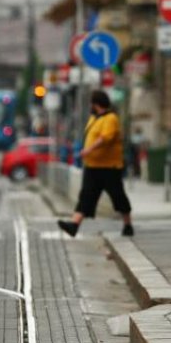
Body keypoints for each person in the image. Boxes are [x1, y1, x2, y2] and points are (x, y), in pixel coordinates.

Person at [58, 90, 134, 238]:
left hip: (109, 167)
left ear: (96, 104)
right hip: (92, 166)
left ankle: (128, 224)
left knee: (118, 196)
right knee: (86, 196)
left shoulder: (111, 118)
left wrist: (88, 150)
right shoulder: (94, 118)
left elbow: (105, 138)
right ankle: (74, 225)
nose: (90, 106)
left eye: (91, 103)